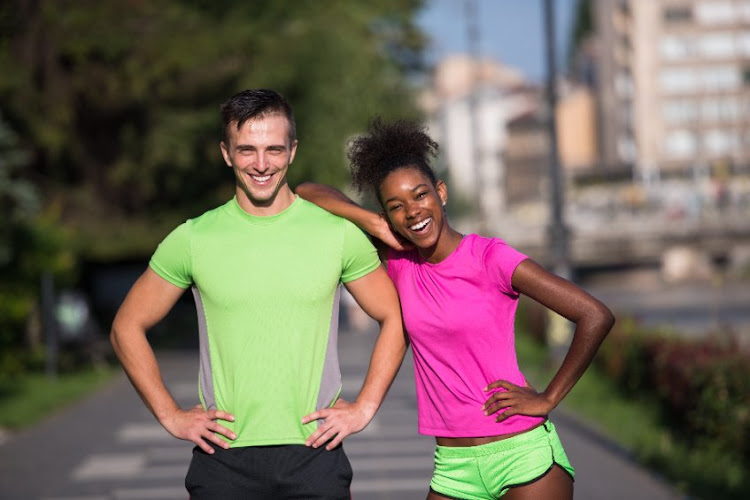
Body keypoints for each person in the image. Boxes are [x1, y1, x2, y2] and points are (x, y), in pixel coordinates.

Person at [297, 118, 615, 500]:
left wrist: (548, 398)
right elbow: (306, 191)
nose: (413, 212)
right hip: (453, 466)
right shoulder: (399, 262)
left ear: (441, 192)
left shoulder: (490, 258)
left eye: (420, 195)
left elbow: (594, 315)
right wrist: (372, 222)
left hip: (523, 457)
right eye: (396, 206)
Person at [110, 90, 407, 499]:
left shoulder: (336, 234)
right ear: (226, 153)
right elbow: (126, 327)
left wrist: (364, 408)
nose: (262, 164)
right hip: (223, 461)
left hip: (315, 456)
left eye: (274, 149)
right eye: (247, 150)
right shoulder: (193, 238)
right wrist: (171, 415)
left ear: (293, 150)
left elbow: (395, 317)